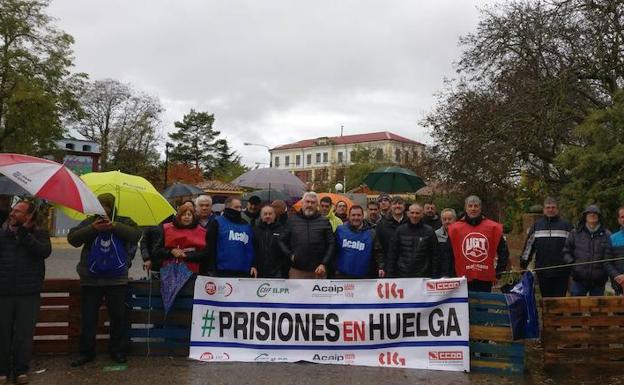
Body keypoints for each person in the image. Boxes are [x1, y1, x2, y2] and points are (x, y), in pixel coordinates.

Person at [68, 193, 140, 367]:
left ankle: (117, 351)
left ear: (113, 206)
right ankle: (86, 352)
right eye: (100, 205)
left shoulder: (124, 221)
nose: (103, 208)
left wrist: (114, 226)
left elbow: (135, 235)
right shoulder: (89, 222)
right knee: (89, 318)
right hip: (91, 279)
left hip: (116, 280)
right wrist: (93, 228)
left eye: (106, 205)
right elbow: (73, 239)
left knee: (117, 317)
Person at [0, 201, 51, 384]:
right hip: (3, 292)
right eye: (12, 209)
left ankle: (21, 370)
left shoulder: (39, 234)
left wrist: (24, 234)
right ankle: (2, 370)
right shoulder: (2, 233)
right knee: (2, 334)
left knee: (24, 334)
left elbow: (43, 252)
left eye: (17, 211)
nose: (12, 213)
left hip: (28, 293)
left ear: (28, 216)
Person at [448, 195, 509, 292]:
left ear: (480, 208)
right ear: (465, 208)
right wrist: (451, 274)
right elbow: (449, 253)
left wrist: (499, 272)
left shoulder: (493, 228)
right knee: (465, 307)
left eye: (476, 206)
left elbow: (503, 251)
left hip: (485, 278)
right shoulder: (455, 229)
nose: (473, 209)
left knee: (483, 305)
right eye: (470, 206)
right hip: (462, 278)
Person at [520, 197, 572, 297]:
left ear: (557, 209)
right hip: (543, 270)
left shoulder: (566, 225)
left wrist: (572, 263)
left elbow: (573, 246)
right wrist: (524, 263)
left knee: (559, 300)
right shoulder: (537, 226)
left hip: (562, 271)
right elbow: (529, 246)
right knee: (546, 300)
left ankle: (558, 313)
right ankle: (547, 313)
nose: (550, 210)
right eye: (548, 207)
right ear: (544, 210)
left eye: (553, 207)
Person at [279, 192, 335, 279]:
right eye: (307, 201)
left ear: (317, 205)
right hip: (297, 270)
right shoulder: (292, 220)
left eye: (313, 202)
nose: (309, 205)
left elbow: (331, 243)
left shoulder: (324, 221)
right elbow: (281, 240)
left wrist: (324, 263)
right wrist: (290, 255)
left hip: (318, 270)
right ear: (302, 203)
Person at [563, 205, 613, 296]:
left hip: (599, 281)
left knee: (597, 309)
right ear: (585, 216)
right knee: (576, 308)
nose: (592, 215)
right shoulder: (575, 233)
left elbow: (610, 256)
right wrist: (572, 264)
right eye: (590, 213)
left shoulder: (607, 234)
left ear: (599, 216)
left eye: (595, 213)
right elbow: (566, 251)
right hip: (578, 279)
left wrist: (605, 272)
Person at [207, 197, 256, 278]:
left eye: (240, 207)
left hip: (243, 272)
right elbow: (211, 247)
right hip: (222, 271)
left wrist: (253, 264)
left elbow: (251, 247)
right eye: (236, 207)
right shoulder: (217, 222)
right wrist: (212, 269)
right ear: (227, 207)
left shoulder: (246, 225)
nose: (239, 210)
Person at [386, 203, 438, 278]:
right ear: (408, 214)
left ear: (422, 214)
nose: (414, 216)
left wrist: (434, 275)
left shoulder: (429, 231)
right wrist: (390, 274)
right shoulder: (400, 230)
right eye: (412, 213)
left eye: (417, 213)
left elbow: (434, 255)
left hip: (423, 275)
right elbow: (392, 254)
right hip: (402, 274)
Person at [154, 204, 208, 275]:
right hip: (170, 271)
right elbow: (157, 250)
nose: (186, 217)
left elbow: (204, 254)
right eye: (184, 215)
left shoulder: (201, 231)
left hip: (192, 271)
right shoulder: (167, 229)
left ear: (193, 217)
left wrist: (186, 255)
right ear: (179, 216)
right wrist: (171, 251)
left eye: (189, 215)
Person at [334, 205, 384, 278]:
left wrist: (381, 267)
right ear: (349, 216)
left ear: (363, 216)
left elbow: (378, 251)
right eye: (353, 215)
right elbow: (333, 249)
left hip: (364, 277)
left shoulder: (372, 233)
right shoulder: (340, 230)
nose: (356, 218)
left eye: (358, 215)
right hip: (342, 276)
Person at [253, 206, 289, 278]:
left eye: (270, 214)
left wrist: (284, 269)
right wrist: (254, 266)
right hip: (259, 271)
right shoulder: (255, 230)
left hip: (278, 272)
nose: (268, 216)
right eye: (265, 214)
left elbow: (286, 250)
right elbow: (253, 249)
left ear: (274, 215)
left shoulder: (282, 230)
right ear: (261, 215)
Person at [375, 196, 408, 269]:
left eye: (400, 203)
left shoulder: (410, 223)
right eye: (395, 203)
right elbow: (378, 247)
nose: (397, 206)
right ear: (391, 206)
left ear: (404, 206)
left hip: (408, 266)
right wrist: (381, 265)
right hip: (389, 265)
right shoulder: (382, 224)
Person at [435, 208, 457, 278]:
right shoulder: (435, 235)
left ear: (455, 220)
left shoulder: (460, 234)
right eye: (444, 219)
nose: (447, 221)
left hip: (456, 272)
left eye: (450, 219)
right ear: (441, 220)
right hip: (440, 273)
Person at [607, 206, 624, 295]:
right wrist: (618, 277)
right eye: (622, 217)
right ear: (619, 220)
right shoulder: (612, 238)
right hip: (619, 285)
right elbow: (607, 262)